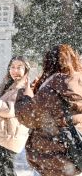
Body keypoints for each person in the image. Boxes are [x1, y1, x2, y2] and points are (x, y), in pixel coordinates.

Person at [15, 44, 82, 176]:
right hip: (75, 153)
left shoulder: (52, 88)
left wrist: (25, 94)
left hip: (53, 159)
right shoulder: (77, 82)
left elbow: (27, 116)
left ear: (49, 62)